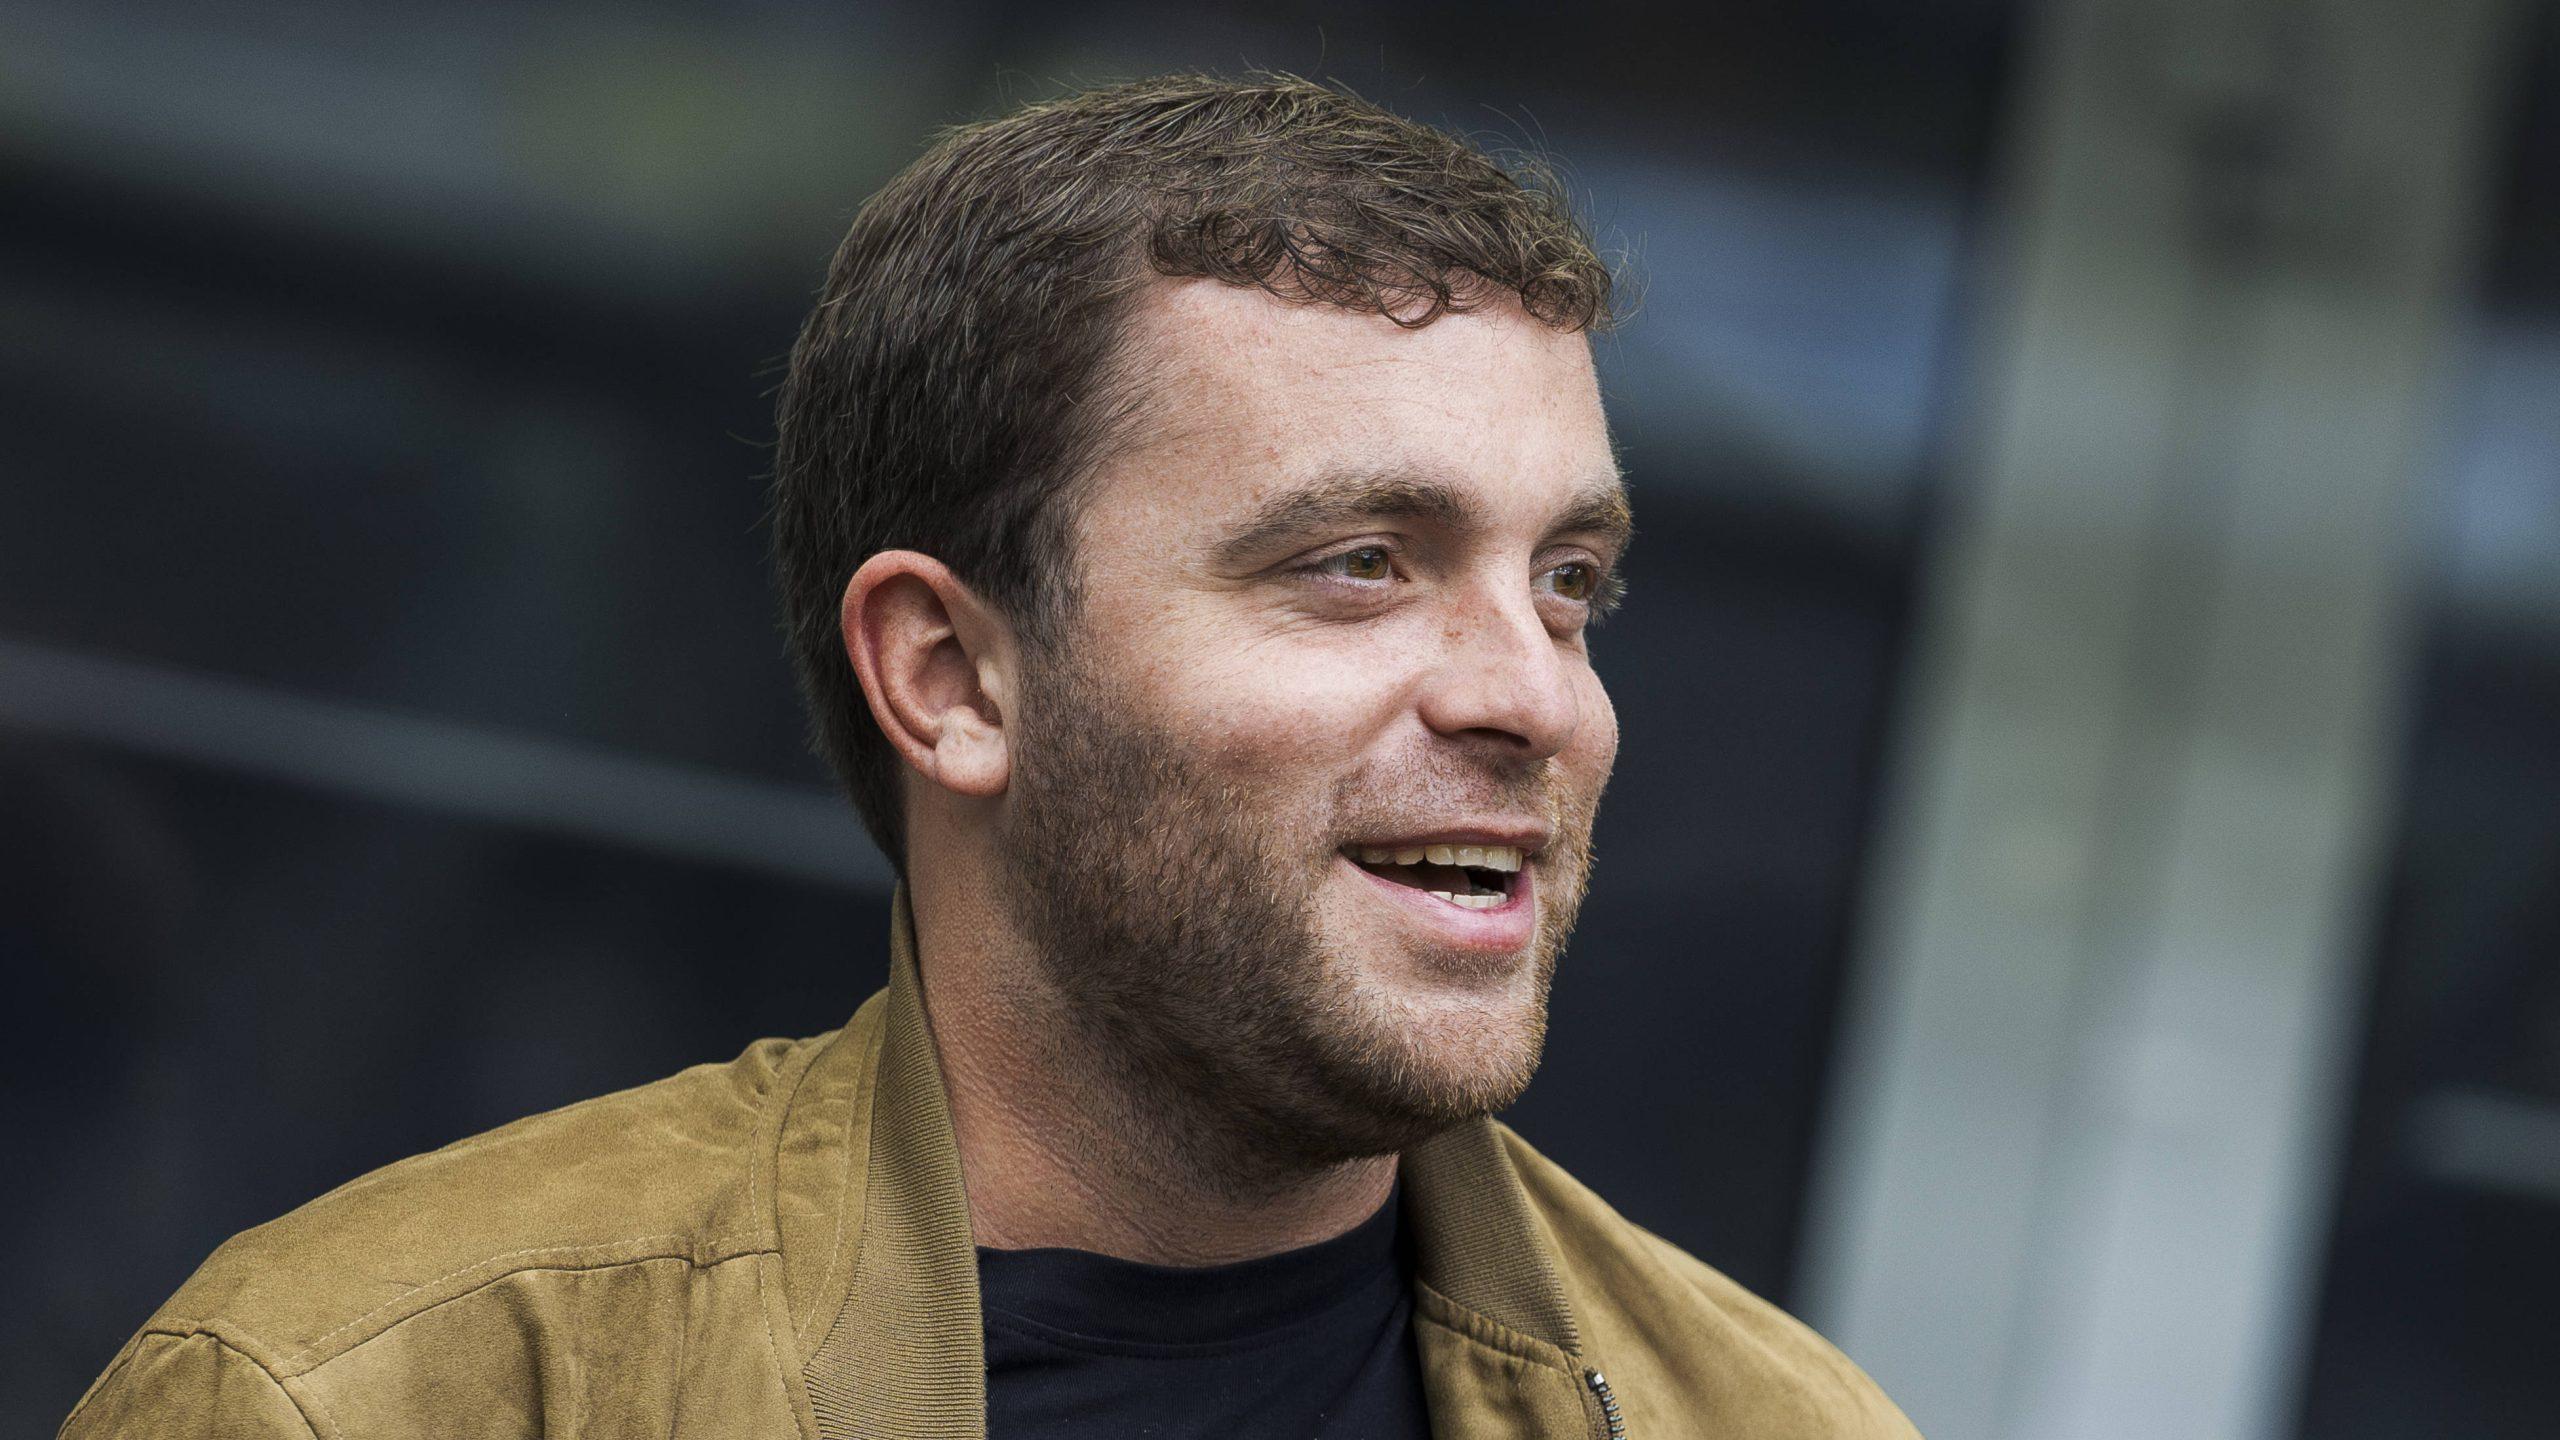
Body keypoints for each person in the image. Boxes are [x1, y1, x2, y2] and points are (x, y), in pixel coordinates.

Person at [61, 74, 1917, 1439]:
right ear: (950, 675)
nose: (1536, 696)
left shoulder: (1771, 1424)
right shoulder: (397, 1394)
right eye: (1359, 565)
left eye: (1571, 582)